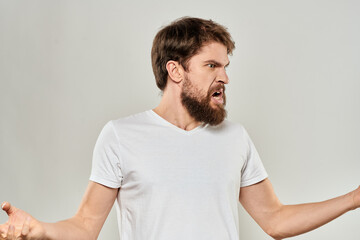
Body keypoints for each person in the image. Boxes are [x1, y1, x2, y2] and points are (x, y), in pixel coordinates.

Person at [0, 16, 359, 240]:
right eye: (212, 66)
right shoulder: (121, 136)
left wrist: (354, 199)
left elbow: (276, 220)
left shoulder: (235, 138)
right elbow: (85, 227)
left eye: (226, 66)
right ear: (176, 71)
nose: (225, 77)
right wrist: (41, 230)